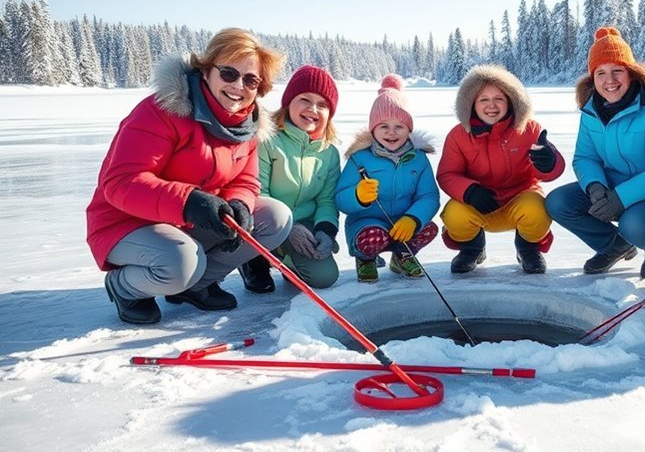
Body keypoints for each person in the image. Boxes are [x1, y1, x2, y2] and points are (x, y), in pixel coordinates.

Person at [87, 28, 292, 325]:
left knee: (275, 218)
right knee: (181, 263)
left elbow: (245, 181)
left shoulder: (247, 126)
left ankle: (194, 286)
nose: (238, 86)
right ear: (206, 70)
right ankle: (125, 287)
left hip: (188, 221)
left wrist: (240, 205)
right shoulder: (162, 111)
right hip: (126, 222)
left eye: (251, 79)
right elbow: (120, 182)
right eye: (229, 73)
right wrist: (188, 201)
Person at [547, 27, 645, 278]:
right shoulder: (590, 113)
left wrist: (620, 197)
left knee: (634, 224)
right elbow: (585, 158)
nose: (610, 80)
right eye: (601, 73)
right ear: (592, 78)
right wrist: (595, 187)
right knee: (558, 202)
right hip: (610, 185)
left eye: (617, 71)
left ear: (631, 73)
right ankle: (615, 245)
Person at [436, 64, 565, 274]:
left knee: (538, 211)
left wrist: (549, 162)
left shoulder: (529, 129)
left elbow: (551, 172)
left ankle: (527, 249)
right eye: (483, 100)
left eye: (499, 99)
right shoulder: (458, 136)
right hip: (478, 204)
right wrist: (469, 191)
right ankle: (473, 249)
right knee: (454, 215)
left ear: (511, 101)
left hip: (520, 199)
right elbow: (447, 174)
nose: (492, 106)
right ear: (472, 104)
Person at [239, 65, 341, 292]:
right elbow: (256, 191)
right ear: (289, 102)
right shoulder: (267, 139)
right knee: (266, 227)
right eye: (305, 99)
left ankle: (288, 260)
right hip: (266, 221)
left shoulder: (329, 153)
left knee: (325, 277)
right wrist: (288, 227)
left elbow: (327, 201)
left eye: (322, 104)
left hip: (305, 224)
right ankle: (252, 259)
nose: (313, 109)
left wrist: (325, 230)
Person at [335, 74, 440, 283]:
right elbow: (339, 198)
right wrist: (358, 196)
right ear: (373, 129)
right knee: (372, 237)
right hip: (367, 223)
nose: (392, 133)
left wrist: (413, 218)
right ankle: (365, 259)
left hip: (403, 221)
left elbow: (429, 196)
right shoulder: (360, 158)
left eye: (399, 126)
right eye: (384, 126)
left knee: (429, 227)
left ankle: (402, 254)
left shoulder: (418, 159)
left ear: (409, 129)